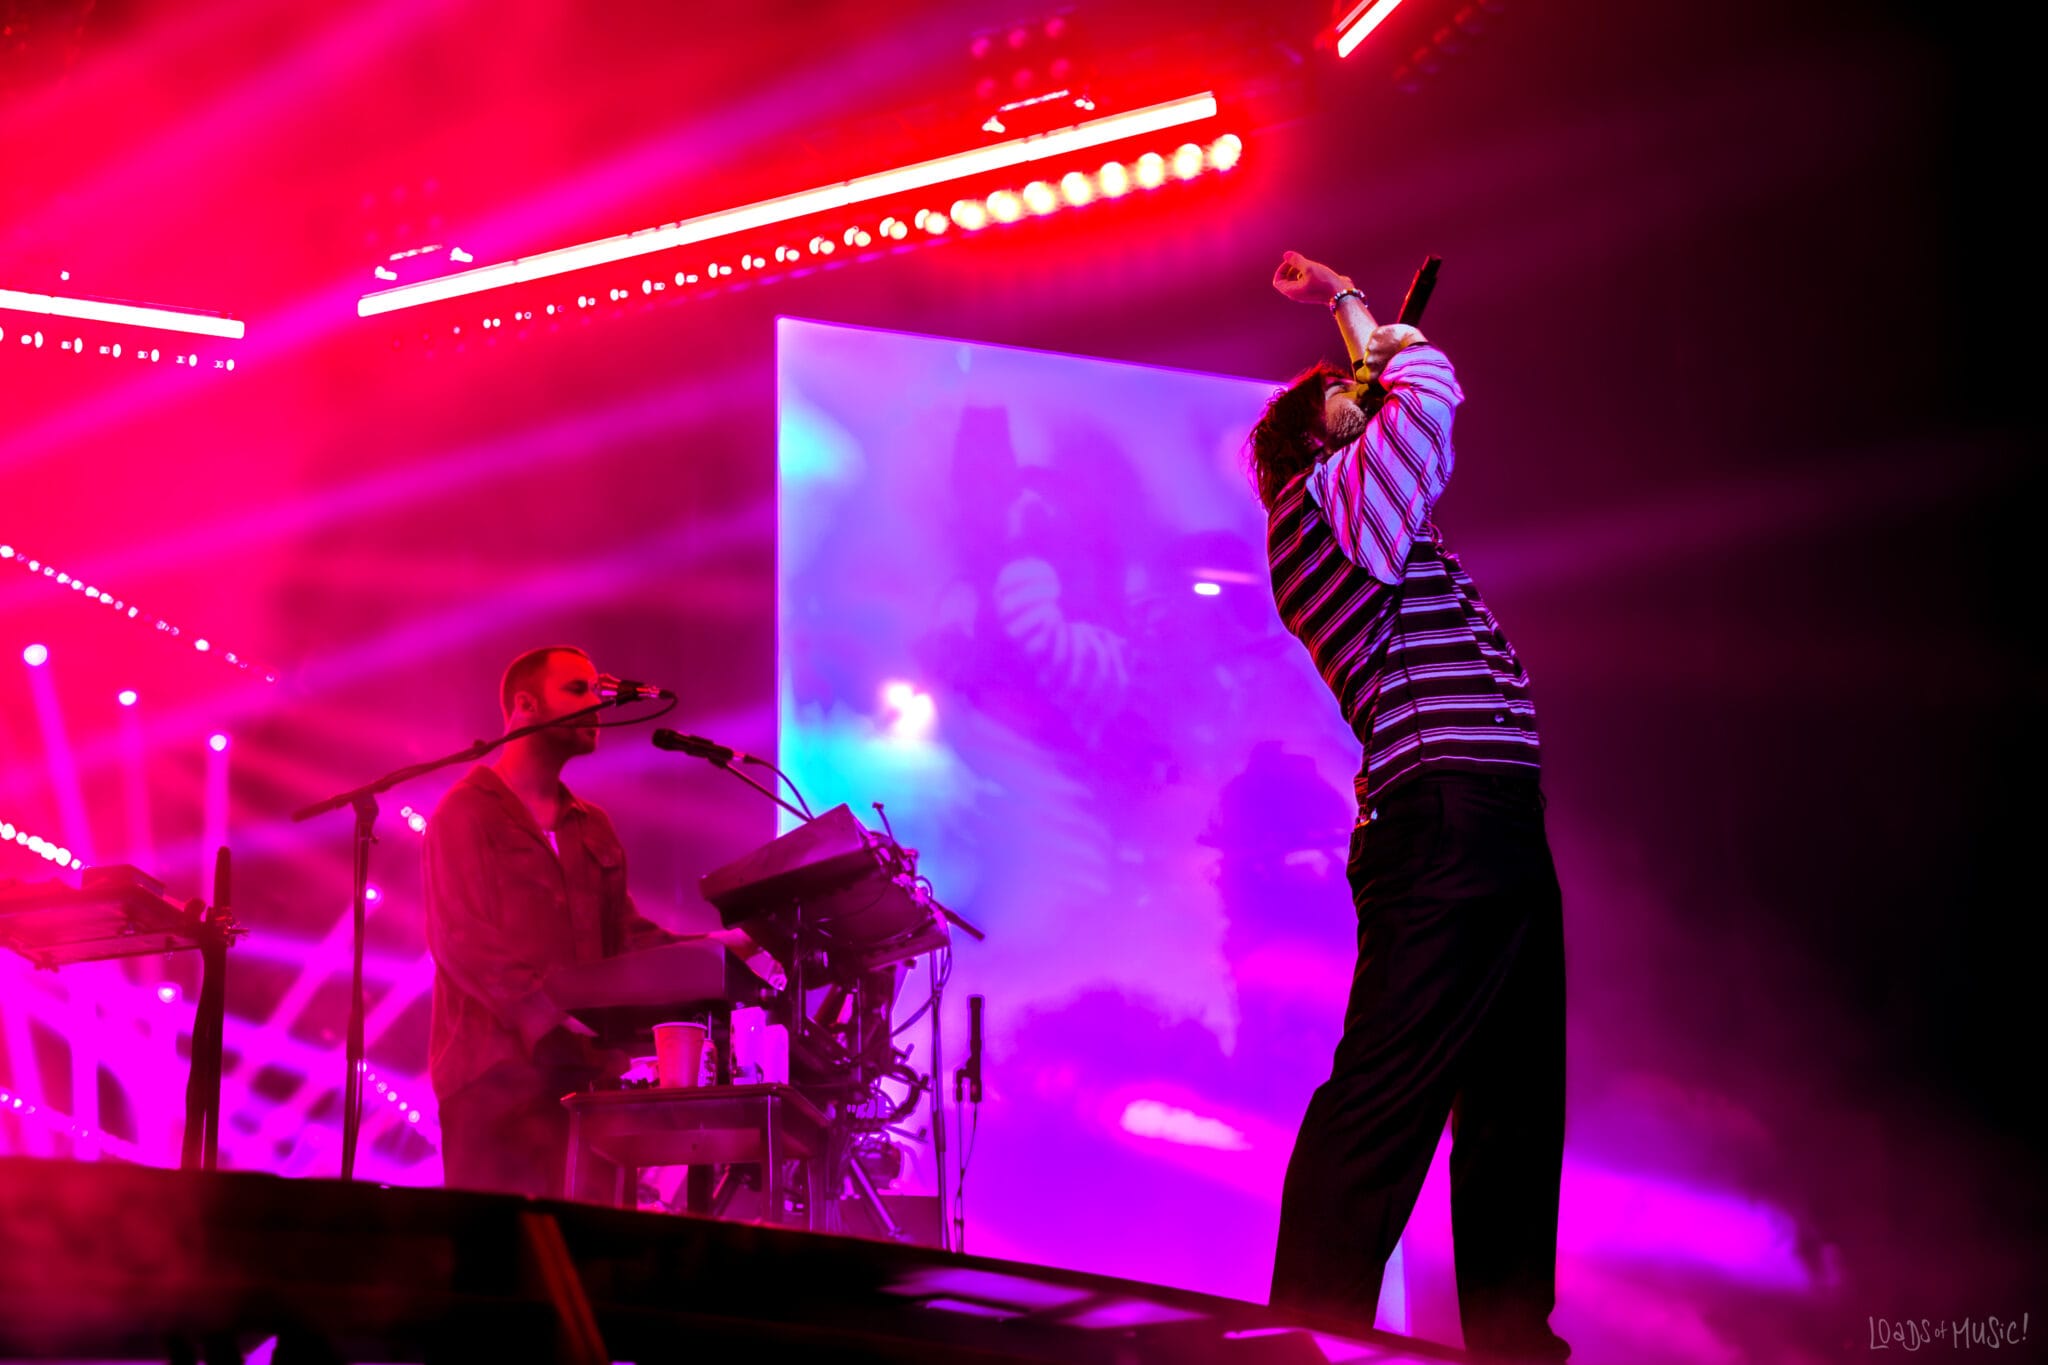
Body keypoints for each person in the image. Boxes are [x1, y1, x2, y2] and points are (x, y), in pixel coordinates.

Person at [1251, 251, 1569, 1361]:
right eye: (1350, 403)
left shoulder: (1356, 507)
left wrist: (1348, 309)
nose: (1369, 398)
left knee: (1514, 1104)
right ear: (1317, 445)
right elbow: (1423, 396)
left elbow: (1390, 399)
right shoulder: (1324, 507)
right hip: (1441, 818)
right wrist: (1364, 322)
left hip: (1488, 819)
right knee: (1389, 1086)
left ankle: (1513, 1341)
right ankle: (1305, 1326)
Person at [423, 644, 675, 1199]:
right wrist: (550, 1019)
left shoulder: (593, 826)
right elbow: (462, 939)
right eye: (577, 689)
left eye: (596, 690)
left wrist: (714, 950)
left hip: (589, 1085)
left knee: (593, 1245)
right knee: (501, 1247)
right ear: (525, 705)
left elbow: (627, 940)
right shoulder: (465, 811)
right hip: (493, 1085)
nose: (596, 704)